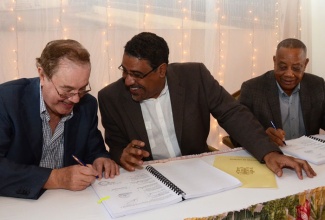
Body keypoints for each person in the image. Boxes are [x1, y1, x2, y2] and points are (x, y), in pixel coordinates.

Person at [98, 32, 316, 180]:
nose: (128, 81)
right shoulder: (111, 97)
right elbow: (116, 145)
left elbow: (232, 113)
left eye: (137, 74)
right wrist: (121, 154)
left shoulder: (195, 77)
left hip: (198, 175)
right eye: (124, 71)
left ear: (162, 70)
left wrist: (269, 152)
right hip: (149, 178)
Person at [0, 39, 119, 199]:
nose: (76, 99)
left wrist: (101, 158)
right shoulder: (6, 100)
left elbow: (95, 148)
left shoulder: (87, 105)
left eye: (82, 89)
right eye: (66, 90)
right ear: (42, 75)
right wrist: (55, 178)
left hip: (68, 204)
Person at [239, 38, 325, 146]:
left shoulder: (317, 85)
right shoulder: (252, 89)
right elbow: (237, 133)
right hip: (272, 156)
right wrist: (261, 136)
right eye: (283, 67)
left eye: (296, 68)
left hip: (310, 157)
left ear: (305, 63)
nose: (289, 74)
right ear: (274, 61)